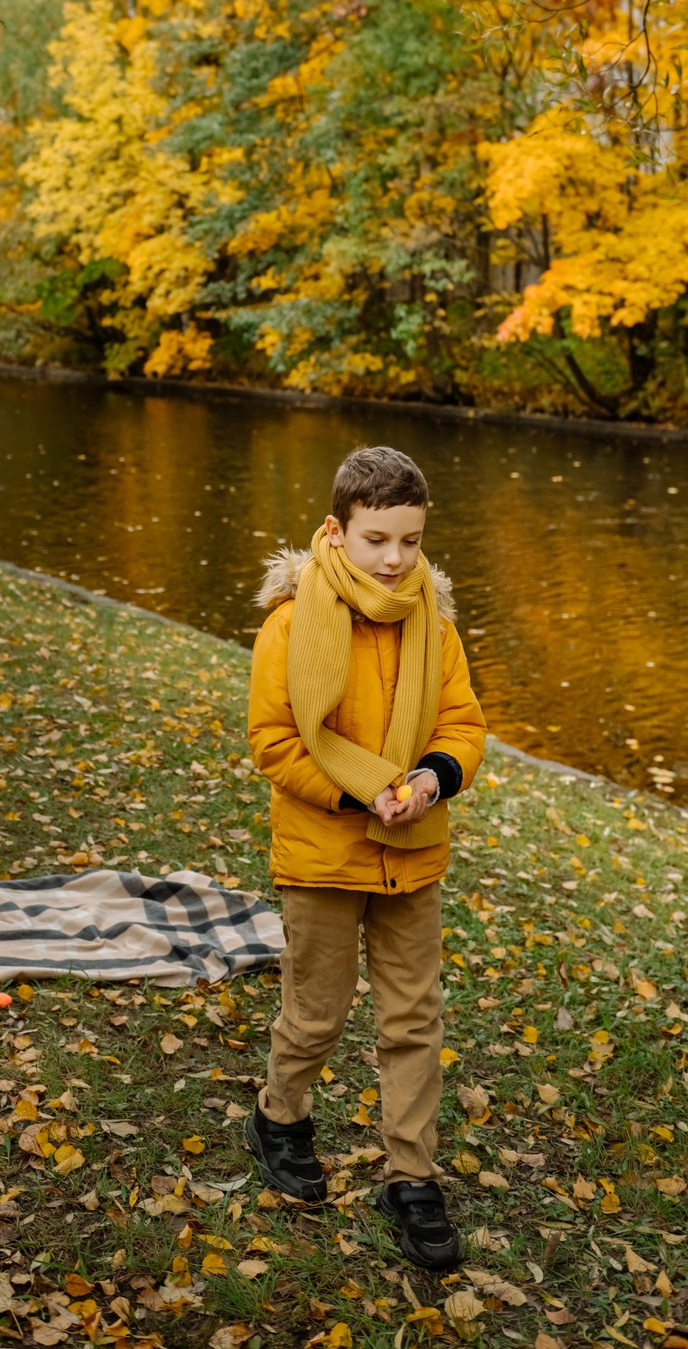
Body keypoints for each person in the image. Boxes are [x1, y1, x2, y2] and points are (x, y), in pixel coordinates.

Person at [245, 444, 486, 1271]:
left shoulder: (435, 625)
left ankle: (411, 1175)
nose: (395, 559)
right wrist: (359, 793)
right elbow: (275, 744)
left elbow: (463, 723)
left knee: (413, 1018)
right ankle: (281, 1116)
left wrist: (431, 777)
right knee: (317, 1010)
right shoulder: (291, 622)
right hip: (323, 852)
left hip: (413, 849)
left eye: (411, 541)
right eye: (378, 538)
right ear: (337, 531)